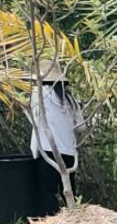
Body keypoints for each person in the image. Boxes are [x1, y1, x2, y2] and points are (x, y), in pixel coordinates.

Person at [27, 60, 79, 204]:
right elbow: (81, 127)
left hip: (49, 150)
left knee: (47, 191)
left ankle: (51, 217)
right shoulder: (69, 98)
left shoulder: (38, 94)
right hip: (69, 151)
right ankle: (73, 214)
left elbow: (35, 119)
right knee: (69, 190)